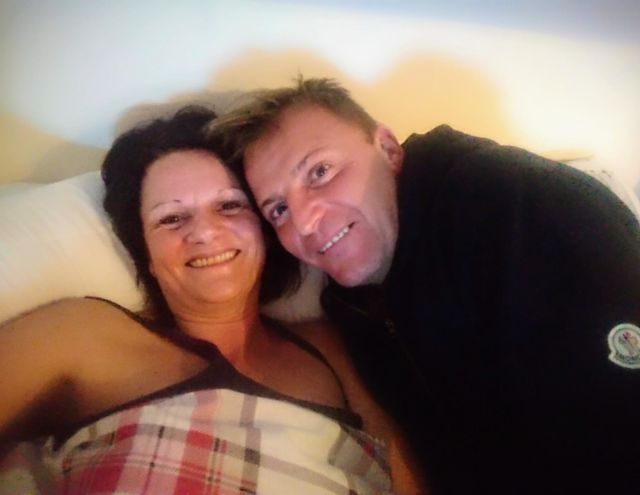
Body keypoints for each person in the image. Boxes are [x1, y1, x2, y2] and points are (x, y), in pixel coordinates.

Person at [209, 78, 640, 495]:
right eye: (278, 209)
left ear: (388, 149)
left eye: (320, 171)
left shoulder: (513, 203)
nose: (304, 222)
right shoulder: (352, 311)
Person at [0, 106, 423, 494]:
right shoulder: (82, 335)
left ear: (263, 228)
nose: (204, 232)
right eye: (171, 218)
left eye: (229, 206)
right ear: (146, 255)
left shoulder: (331, 346)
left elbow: (405, 477)